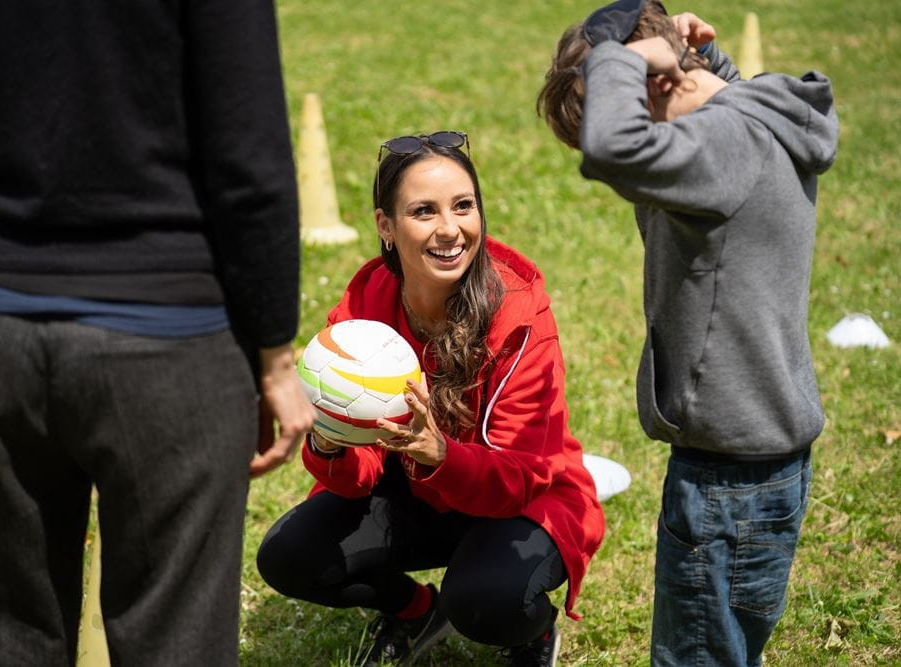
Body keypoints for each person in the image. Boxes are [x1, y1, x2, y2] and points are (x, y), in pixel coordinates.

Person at [0, 0, 314, 664]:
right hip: (170, 340)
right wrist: (274, 354)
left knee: (2, 634)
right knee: (177, 639)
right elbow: (248, 146)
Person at [536, 1, 838, 665]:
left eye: (627, 96)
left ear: (658, 80)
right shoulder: (756, 118)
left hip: (725, 483)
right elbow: (729, 100)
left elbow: (616, 150)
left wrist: (631, 58)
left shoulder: (719, 148)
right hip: (765, 464)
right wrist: (702, 62)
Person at [256, 132, 605, 667]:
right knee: (290, 557)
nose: (450, 229)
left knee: (486, 601)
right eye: (424, 211)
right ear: (386, 227)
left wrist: (439, 453)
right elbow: (357, 476)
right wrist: (331, 437)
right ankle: (418, 611)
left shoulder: (518, 316)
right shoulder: (366, 304)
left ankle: (532, 632)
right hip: (419, 492)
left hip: (525, 499)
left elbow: (519, 477)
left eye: (463, 206)